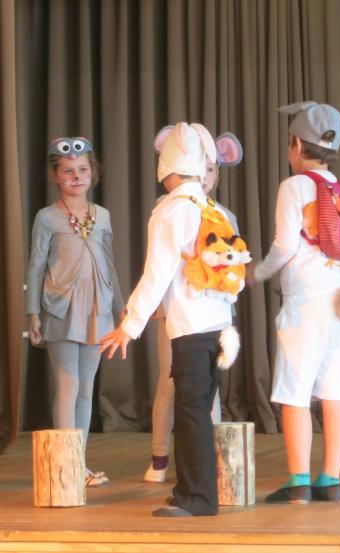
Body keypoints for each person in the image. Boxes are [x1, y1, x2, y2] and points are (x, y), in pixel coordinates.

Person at [100, 122, 234, 517]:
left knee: (190, 413)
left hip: (190, 327)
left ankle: (199, 498)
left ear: (167, 168)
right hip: (217, 325)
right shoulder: (213, 210)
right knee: (198, 410)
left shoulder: (171, 210)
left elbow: (156, 274)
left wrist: (129, 326)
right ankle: (188, 489)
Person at [250, 101, 340, 504]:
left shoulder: (294, 186)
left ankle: (298, 481)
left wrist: (259, 272)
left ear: (296, 145)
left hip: (308, 301)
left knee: (294, 389)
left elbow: (284, 245)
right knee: (335, 389)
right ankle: (329, 480)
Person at [144, 130, 244, 484]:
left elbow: (233, 267)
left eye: (211, 169)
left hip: (211, 316)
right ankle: (160, 456)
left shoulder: (222, 215)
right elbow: (158, 267)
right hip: (175, 314)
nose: (204, 176)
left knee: (206, 390)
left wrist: (226, 303)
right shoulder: (168, 209)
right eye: (199, 168)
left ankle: (208, 463)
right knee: (170, 383)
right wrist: (145, 310)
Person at [26, 137, 124, 487]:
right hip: (61, 308)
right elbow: (36, 267)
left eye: (83, 170)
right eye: (68, 171)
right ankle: (64, 463)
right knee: (67, 385)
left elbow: (109, 264)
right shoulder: (46, 218)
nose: (77, 176)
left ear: (92, 173)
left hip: (98, 309)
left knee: (86, 387)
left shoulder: (103, 216)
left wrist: (120, 308)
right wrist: (33, 313)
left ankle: (78, 461)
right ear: (55, 175)